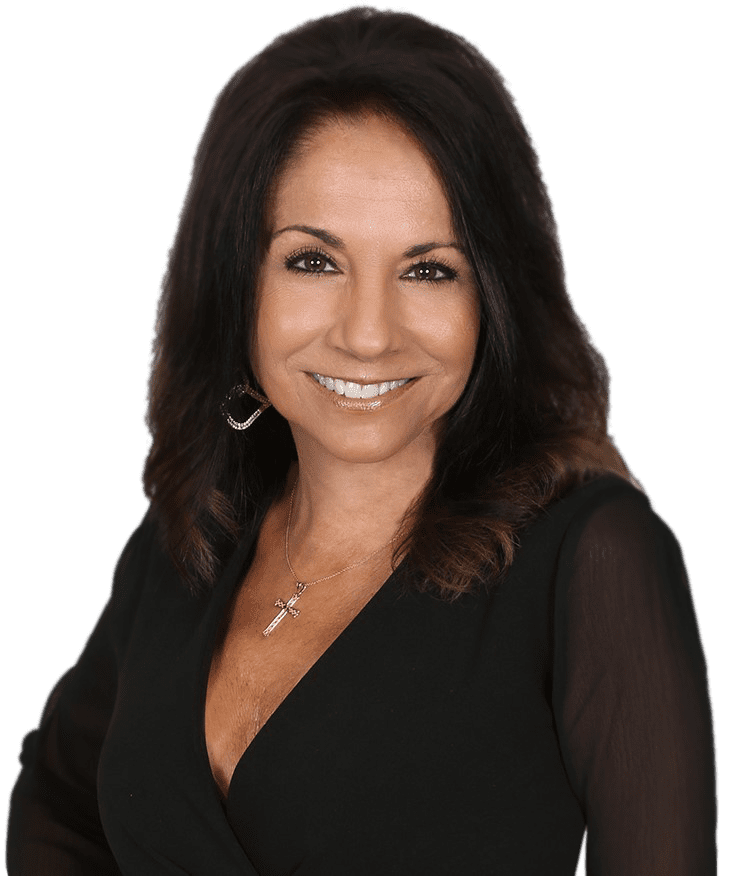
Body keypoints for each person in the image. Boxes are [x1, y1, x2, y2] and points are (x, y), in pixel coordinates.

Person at [6, 6, 717, 874]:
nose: (369, 334)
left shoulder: (594, 560)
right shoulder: (187, 540)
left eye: (428, 270)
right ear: (240, 285)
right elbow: (59, 800)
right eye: (313, 260)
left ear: (491, 299)